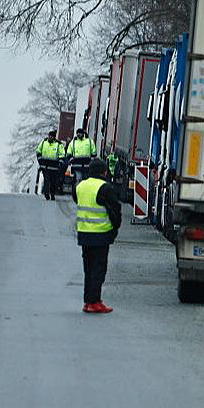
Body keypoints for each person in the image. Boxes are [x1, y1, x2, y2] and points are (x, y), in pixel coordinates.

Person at [76, 158, 122, 313]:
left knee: (88, 270)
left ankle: (88, 301)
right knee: (98, 269)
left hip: (84, 234)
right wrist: (115, 229)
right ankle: (95, 302)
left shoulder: (80, 186)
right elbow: (115, 210)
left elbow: (77, 200)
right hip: (100, 235)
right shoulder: (105, 188)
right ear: (104, 172)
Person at [35, 131, 66, 200]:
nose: (50, 137)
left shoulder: (58, 144)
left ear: (54, 137)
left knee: (53, 181)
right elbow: (38, 152)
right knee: (46, 180)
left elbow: (62, 154)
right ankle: (46, 193)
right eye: (49, 136)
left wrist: (60, 163)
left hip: (54, 166)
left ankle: (52, 194)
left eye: (52, 136)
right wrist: (40, 161)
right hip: (45, 165)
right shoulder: (44, 142)